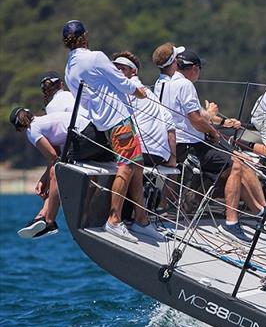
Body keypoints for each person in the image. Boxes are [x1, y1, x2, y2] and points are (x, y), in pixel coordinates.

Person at [152, 44, 266, 243]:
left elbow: (196, 114)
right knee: (237, 163)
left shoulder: (163, 83)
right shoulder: (185, 85)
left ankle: (263, 211)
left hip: (173, 141)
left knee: (238, 162)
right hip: (189, 144)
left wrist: (221, 121)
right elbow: (195, 119)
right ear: (193, 68)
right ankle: (232, 222)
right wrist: (213, 132)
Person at [62, 19, 161, 243]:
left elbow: (85, 99)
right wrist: (139, 91)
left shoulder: (69, 69)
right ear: (85, 36)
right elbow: (122, 82)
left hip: (103, 123)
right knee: (126, 168)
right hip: (119, 120)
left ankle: (141, 220)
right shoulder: (95, 56)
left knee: (136, 167)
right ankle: (114, 220)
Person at [10, 108, 72, 238]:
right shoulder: (41, 121)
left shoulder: (31, 130)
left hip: (85, 140)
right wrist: (44, 180)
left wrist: (44, 180)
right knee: (54, 173)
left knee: (55, 173)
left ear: (19, 128)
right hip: (90, 135)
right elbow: (55, 157)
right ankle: (43, 215)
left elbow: (54, 157)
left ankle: (49, 222)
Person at [110, 51, 176, 168]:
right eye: (116, 69)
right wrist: (172, 159)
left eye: (123, 69)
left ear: (134, 71)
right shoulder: (150, 94)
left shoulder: (123, 89)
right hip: (159, 156)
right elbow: (170, 124)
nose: (118, 72)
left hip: (138, 153)